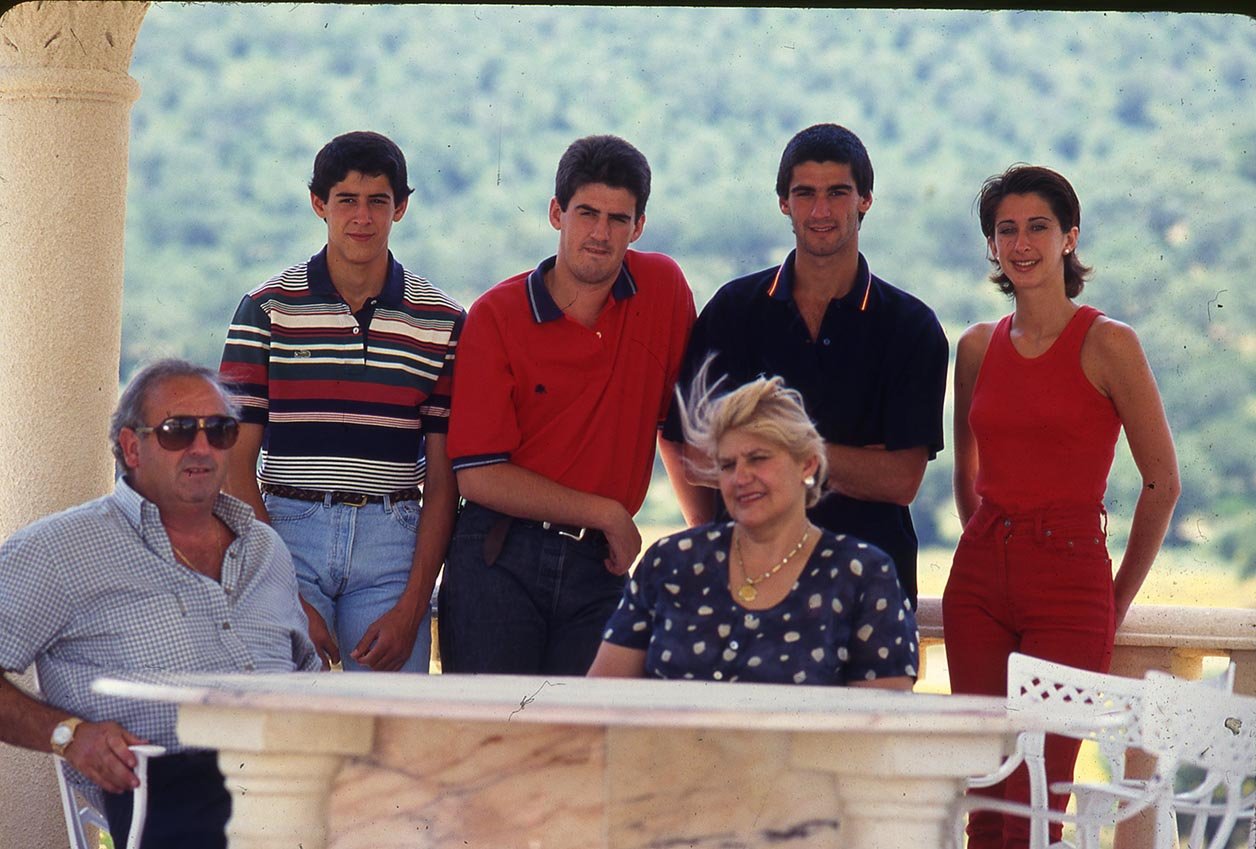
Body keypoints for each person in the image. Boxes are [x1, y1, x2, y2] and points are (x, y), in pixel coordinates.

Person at [944, 164, 1180, 849]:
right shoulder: (977, 347)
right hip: (979, 579)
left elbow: (1163, 484)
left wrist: (1115, 600)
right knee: (986, 788)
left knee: (1038, 796)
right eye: (1006, 230)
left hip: (1071, 583)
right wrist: (989, 544)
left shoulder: (1109, 342)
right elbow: (969, 470)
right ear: (991, 245)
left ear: (1069, 237)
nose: (1021, 243)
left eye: (1038, 227)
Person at [0, 359, 320, 849]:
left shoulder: (265, 548)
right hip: (173, 792)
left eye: (219, 431)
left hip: (298, 781)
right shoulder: (62, 549)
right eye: (177, 431)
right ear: (132, 447)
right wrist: (68, 735)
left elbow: (307, 680)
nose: (201, 447)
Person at [662, 123, 948, 608]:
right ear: (783, 202)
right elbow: (691, 454)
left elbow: (900, 479)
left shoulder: (911, 326)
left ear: (866, 200)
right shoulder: (734, 310)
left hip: (868, 590)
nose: (820, 211)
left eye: (838, 193)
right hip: (745, 583)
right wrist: (844, 461)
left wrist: (753, 456)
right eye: (805, 194)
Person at [441, 134, 696, 675]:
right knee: (496, 744)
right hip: (499, 555)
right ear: (556, 213)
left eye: (618, 219)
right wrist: (606, 512)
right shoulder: (495, 315)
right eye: (586, 213)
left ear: (639, 226)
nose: (600, 234)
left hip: (600, 565)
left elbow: (682, 428)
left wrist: (706, 539)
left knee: (591, 746)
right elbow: (479, 477)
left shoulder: (664, 290)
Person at [220, 131, 464, 673]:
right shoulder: (266, 309)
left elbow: (445, 476)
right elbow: (234, 463)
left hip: (392, 540)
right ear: (319, 205)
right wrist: (282, 591)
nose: (362, 216)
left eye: (378, 200)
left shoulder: (442, 322)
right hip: (284, 529)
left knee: (388, 732)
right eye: (346, 200)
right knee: (283, 723)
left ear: (400, 208)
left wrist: (412, 607)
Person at [589, 366, 918, 687]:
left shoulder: (864, 576)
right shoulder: (670, 563)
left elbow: (881, 729)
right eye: (728, 465)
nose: (741, 477)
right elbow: (596, 703)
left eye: (758, 458)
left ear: (808, 464)